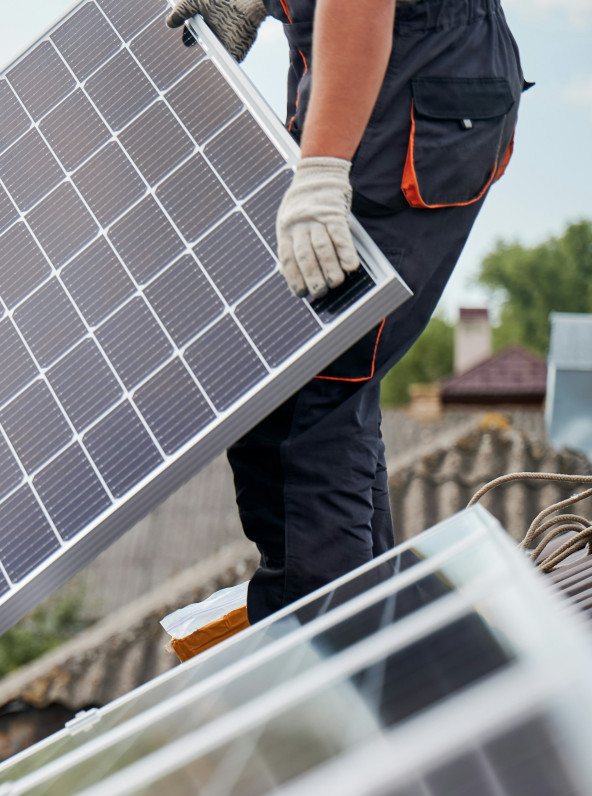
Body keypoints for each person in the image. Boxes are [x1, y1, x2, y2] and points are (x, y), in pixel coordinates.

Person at [165, 0, 524, 626]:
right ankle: (373, 636)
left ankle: (333, 646)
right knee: (301, 389)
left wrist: (323, 171)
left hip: (405, 80)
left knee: (304, 389)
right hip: (359, 70)